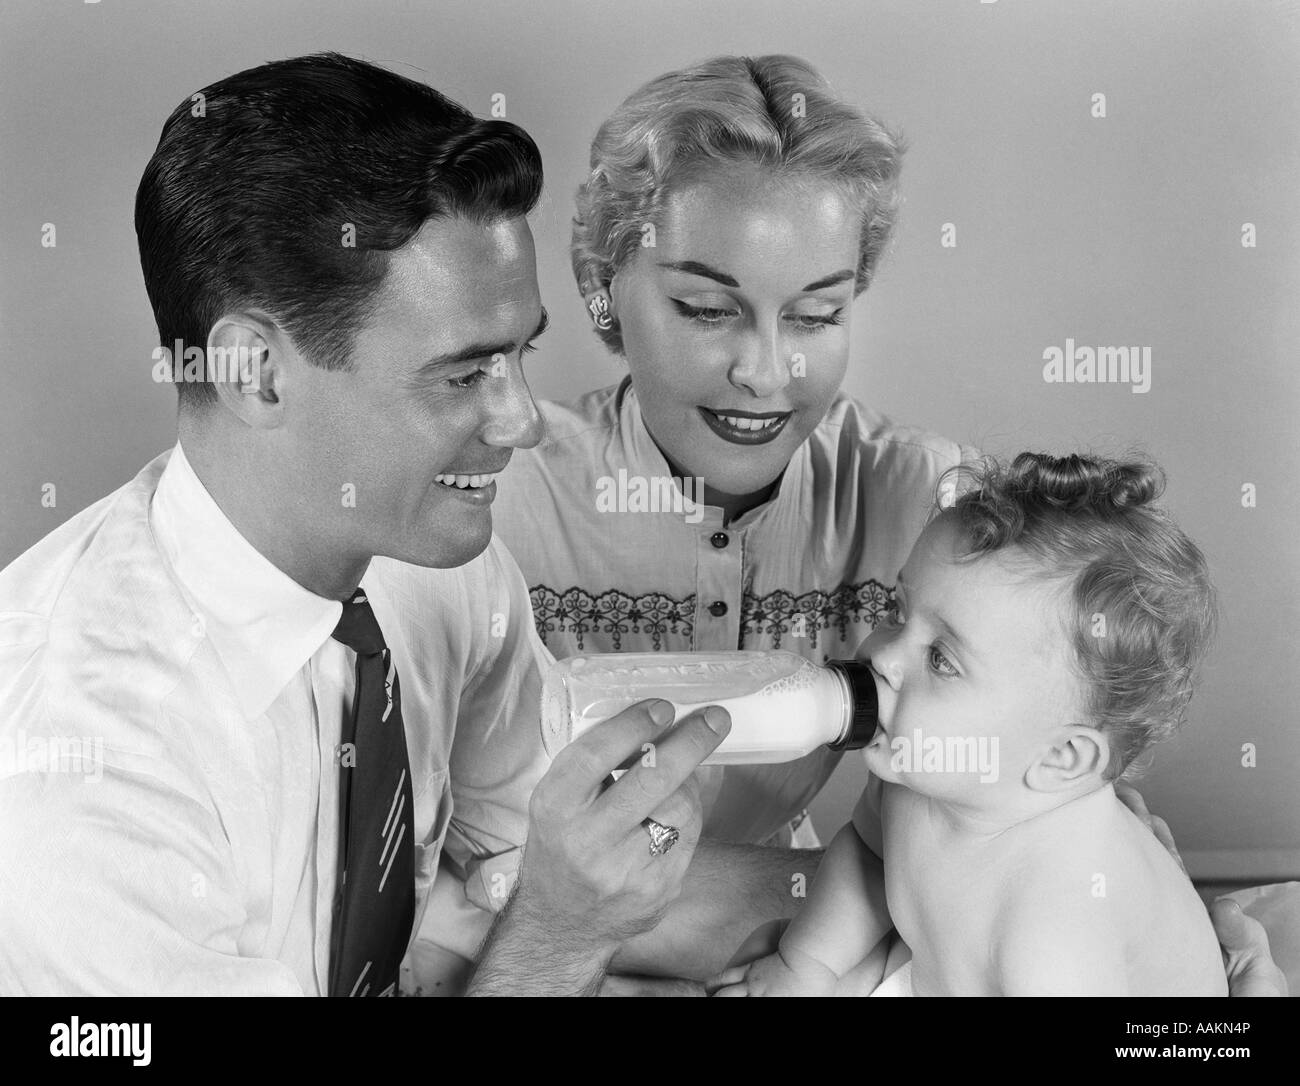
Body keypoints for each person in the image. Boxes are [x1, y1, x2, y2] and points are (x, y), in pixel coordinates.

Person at [0, 52, 809, 997]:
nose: (522, 422)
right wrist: (555, 942)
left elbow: (567, 868)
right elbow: (560, 917)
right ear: (255, 372)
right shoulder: (85, 772)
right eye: (465, 374)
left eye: (520, 355)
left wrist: (934, 878)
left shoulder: (433, 565)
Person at [487, 55, 1285, 996]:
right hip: (557, 922)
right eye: (707, 309)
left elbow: (1036, 782)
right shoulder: (502, 502)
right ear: (601, 287)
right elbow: (477, 880)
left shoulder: (931, 503)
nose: (766, 372)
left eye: (818, 312)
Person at [713, 453, 1228, 995]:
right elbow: (868, 855)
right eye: (898, 613)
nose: (884, 657)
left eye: (940, 659)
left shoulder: (1055, 932)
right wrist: (805, 966)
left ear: (1060, 758)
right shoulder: (916, 780)